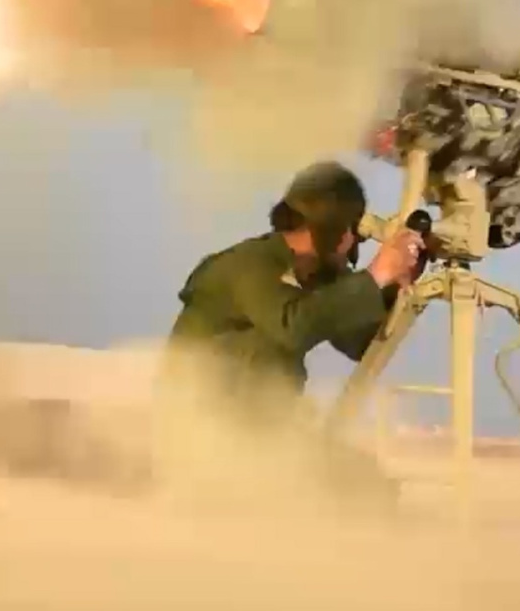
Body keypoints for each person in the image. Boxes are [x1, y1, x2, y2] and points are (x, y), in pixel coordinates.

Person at [158, 161, 424, 509]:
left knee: (367, 486)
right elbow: (294, 326)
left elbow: (359, 343)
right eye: (353, 231)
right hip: (210, 432)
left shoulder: (314, 275)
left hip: (263, 432)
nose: (354, 244)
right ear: (333, 228)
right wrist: (375, 275)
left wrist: (395, 286)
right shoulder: (248, 265)